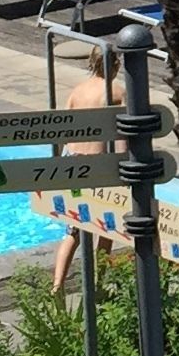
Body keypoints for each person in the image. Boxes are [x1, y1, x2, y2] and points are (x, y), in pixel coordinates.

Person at [44, 51, 116, 302]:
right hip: (99, 167)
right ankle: (98, 283)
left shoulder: (78, 90)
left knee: (72, 230)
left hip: (72, 162)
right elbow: (122, 136)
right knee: (107, 226)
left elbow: (61, 130)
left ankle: (57, 285)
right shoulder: (115, 92)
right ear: (116, 65)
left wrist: (55, 166)